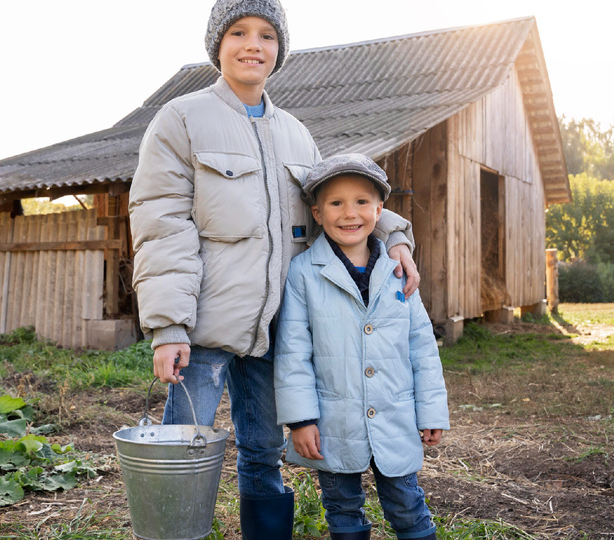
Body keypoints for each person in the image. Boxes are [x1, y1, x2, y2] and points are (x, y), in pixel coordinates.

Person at [128, 1, 421, 537]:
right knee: (182, 447)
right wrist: (168, 326)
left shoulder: (294, 133)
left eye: (266, 35)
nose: (252, 45)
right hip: (203, 324)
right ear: (217, 44)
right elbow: (161, 225)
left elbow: (338, 199)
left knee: (262, 450)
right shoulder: (182, 119)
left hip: (274, 327)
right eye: (238, 32)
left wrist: (394, 235)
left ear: (279, 49)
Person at [274, 154, 448, 540]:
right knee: (341, 509)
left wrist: (431, 410)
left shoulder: (399, 270)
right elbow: (293, 353)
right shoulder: (304, 273)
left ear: (380, 210)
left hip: (395, 416)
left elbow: (422, 347)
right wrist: (301, 420)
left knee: (407, 504)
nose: (349, 214)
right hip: (334, 424)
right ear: (317, 213)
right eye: (336, 203)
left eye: (361, 202)